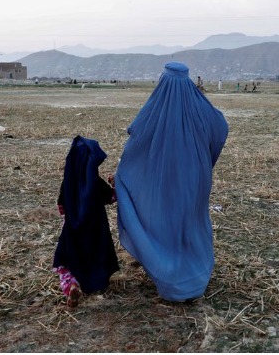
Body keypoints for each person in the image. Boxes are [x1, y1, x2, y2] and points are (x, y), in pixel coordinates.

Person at [114, 62, 228, 302]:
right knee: (191, 223)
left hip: (163, 181)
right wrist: (205, 161)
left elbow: (136, 133)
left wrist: (127, 173)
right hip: (195, 180)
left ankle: (172, 278)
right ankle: (195, 277)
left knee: (165, 222)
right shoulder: (201, 106)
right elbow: (220, 128)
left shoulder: (156, 106)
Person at [52, 135, 119, 307]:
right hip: (97, 230)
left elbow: (61, 207)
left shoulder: (67, 182)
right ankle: (98, 282)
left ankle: (71, 285)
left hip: (73, 230)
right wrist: (115, 185)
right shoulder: (95, 183)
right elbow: (112, 197)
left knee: (66, 261)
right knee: (97, 256)